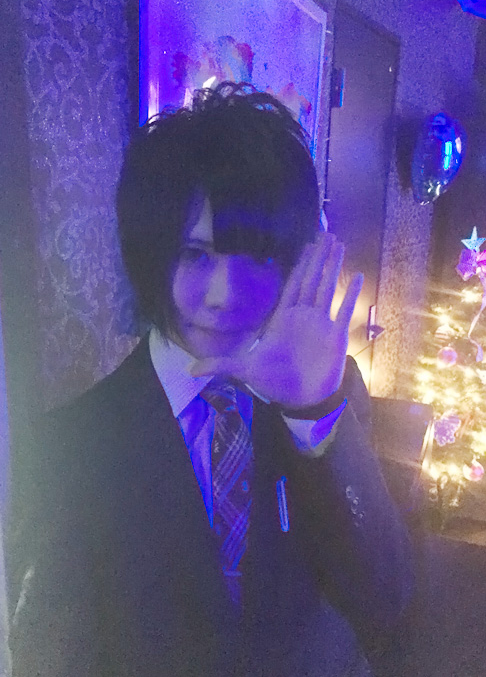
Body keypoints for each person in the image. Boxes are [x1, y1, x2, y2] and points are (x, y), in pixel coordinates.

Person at [7, 82, 413, 676]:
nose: (226, 296)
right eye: (195, 255)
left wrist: (313, 412)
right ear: (150, 255)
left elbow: (384, 601)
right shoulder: (71, 446)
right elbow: (55, 655)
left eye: (258, 257)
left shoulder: (326, 387)